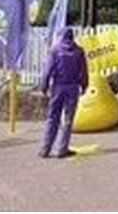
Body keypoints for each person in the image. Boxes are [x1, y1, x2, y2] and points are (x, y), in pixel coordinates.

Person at [38, 28, 88, 159]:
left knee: (52, 117)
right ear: (72, 37)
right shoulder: (79, 51)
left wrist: (43, 87)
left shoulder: (55, 50)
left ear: (61, 36)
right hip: (73, 87)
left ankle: (45, 148)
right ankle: (62, 148)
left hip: (57, 87)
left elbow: (48, 70)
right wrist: (84, 86)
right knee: (68, 119)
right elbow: (83, 71)